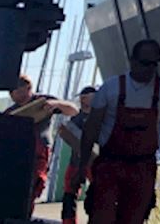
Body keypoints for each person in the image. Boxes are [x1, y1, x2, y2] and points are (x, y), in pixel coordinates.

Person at [76, 39, 160, 224]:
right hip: (110, 163)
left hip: (142, 166)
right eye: (144, 63)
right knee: (101, 216)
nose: (149, 69)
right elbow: (92, 127)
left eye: (154, 64)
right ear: (132, 61)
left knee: (135, 218)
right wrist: (82, 164)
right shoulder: (111, 87)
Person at [3, 73, 78, 219]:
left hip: (39, 151)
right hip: (18, 153)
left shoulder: (44, 102)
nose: (15, 96)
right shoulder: (11, 112)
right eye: (12, 93)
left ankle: (25, 216)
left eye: (18, 91)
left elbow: (73, 110)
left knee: (34, 185)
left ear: (28, 88)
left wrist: (56, 105)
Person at [55, 85, 98, 224]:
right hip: (76, 162)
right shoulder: (76, 118)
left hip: (95, 163)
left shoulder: (101, 116)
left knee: (97, 196)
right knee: (69, 195)